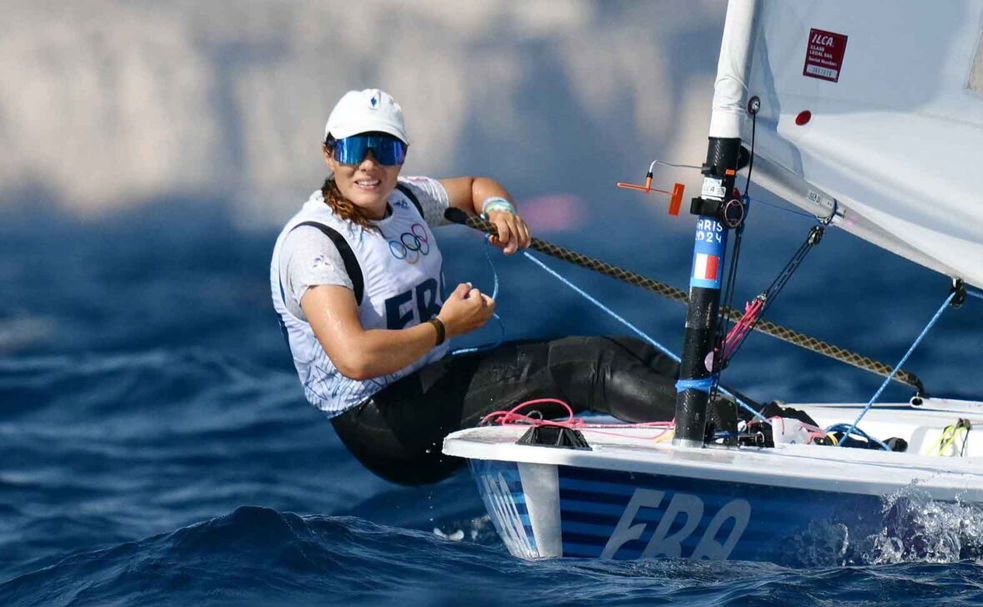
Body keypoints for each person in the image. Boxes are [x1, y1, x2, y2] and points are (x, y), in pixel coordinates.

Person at [270, 89, 681, 485]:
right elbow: (354, 359)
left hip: (429, 383)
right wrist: (445, 327)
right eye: (355, 149)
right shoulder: (313, 245)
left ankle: (728, 414)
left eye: (386, 150)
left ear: (402, 156)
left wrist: (499, 209)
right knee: (592, 369)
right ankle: (718, 430)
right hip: (385, 426)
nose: (370, 166)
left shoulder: (406, 199)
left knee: (626, 352)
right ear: (329, 153)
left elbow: (473, 188)